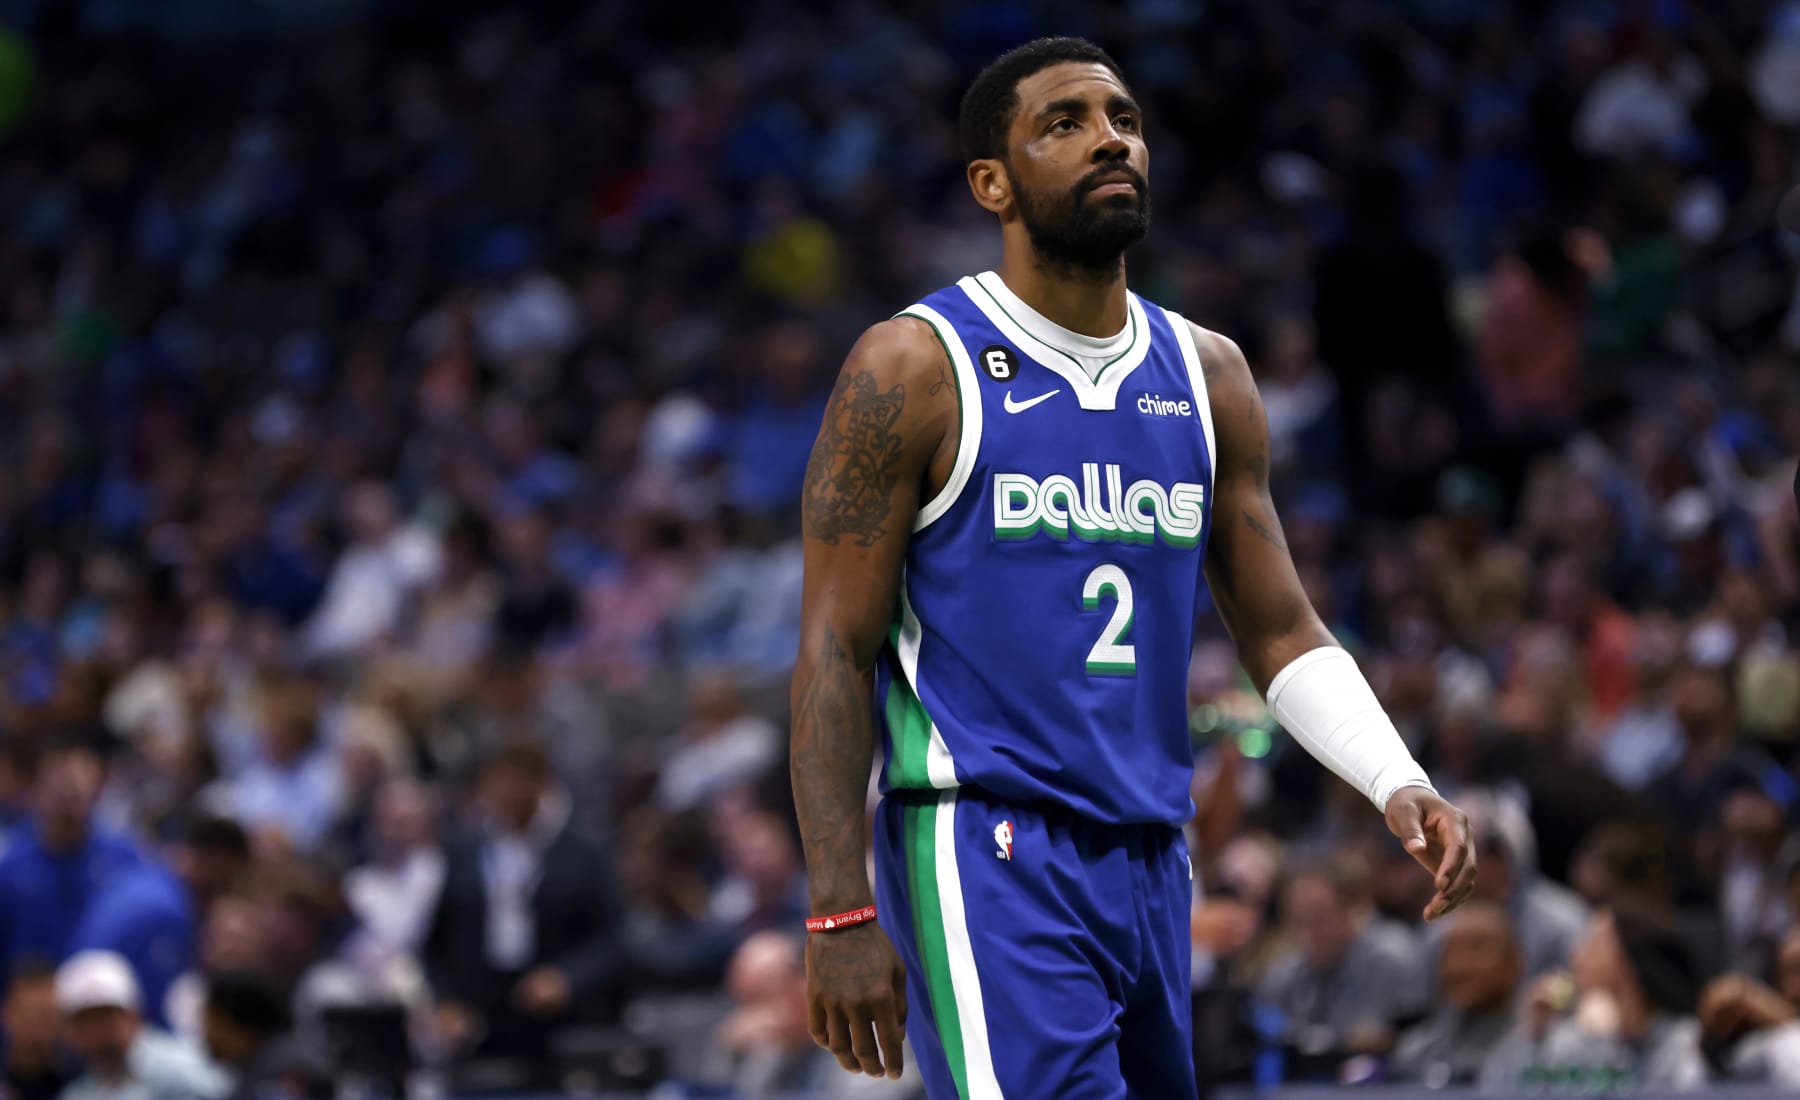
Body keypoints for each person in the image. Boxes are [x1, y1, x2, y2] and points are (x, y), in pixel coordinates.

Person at [789, 36, 1476, 1099]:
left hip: (1156, 852)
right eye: (1063, 123)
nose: (1110, 139)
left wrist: (1396, 777)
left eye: (1122, 118)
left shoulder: (1211, 373)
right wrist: (839, 906)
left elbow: (1281, 629)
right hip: (987, 838)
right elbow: (834, 647)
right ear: (993, 182)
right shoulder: (913, 365)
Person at [422, 738, 626, 1066]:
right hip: (479, 1017)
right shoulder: (462, 854)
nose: (509, 792)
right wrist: (446, 1002)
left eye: (520, 780)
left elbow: (611, 938)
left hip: (557, 1021)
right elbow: (436, 942)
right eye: (499, 781)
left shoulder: (583, 855)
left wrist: (567, 978)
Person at [55, 950, 227, 1100]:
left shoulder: (179, 1069)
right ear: (72, 1030)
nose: (99, 1030)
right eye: (87, 1021)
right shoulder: (77, 1094)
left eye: (107, 1016)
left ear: (133, 1015)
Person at [1391, 903, 1524, 1087]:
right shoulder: (1415, 1055)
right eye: (1449, 951)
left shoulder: (1541, 1051)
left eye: (1476, 948)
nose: (1458, 966)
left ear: (1513, 963)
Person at [2, 960, 74, 1100]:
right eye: (29, 1015)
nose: (37, 1029)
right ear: (7, 1013)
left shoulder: (81, 1077)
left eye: (46, 1016)